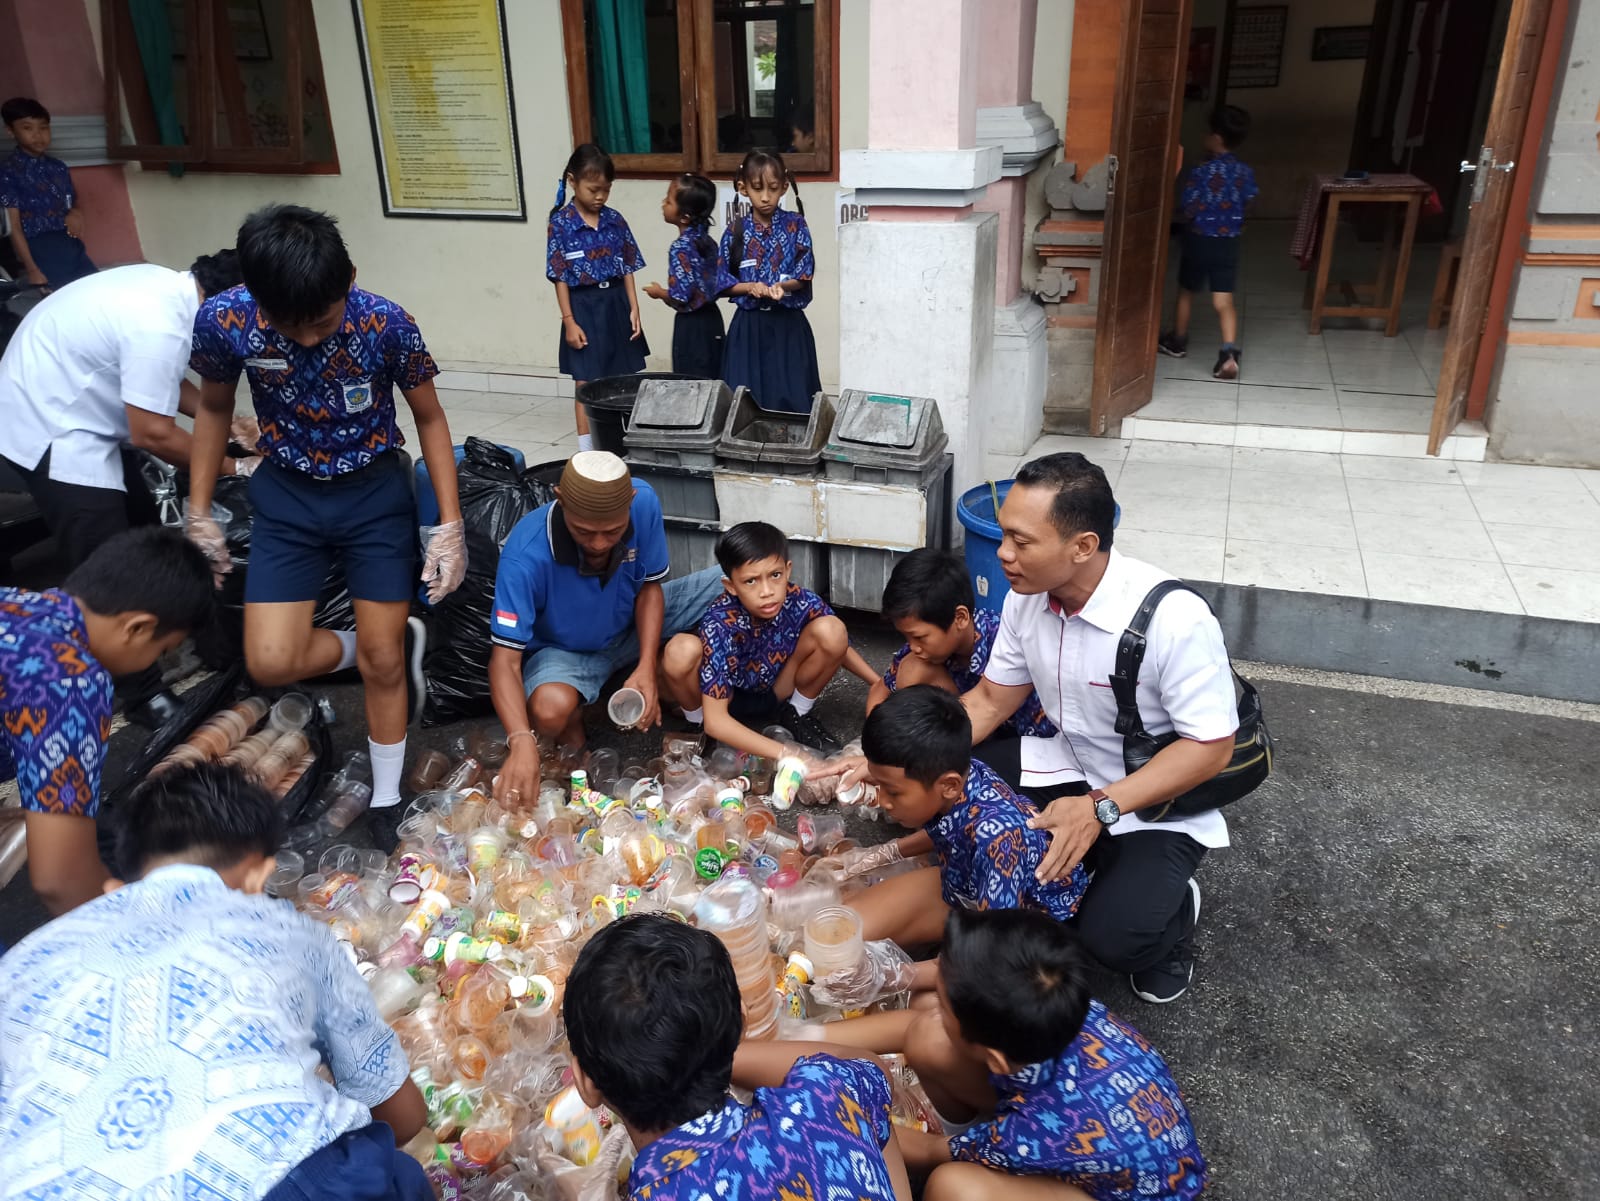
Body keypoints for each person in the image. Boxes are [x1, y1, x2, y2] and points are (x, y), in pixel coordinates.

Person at [0, 762, 430, 1199]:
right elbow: (402, 1116)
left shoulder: (25, 960)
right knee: (395, 1173)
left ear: (115, 891)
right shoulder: (286, 929)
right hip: (267, 1184)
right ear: (258, 879)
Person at [185, 204, 468, 850]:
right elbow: (214, 407)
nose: (309, 338)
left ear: (351, 281)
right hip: (286, 495)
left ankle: (390, 793)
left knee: (383, 661)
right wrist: (198, 510)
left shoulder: (385, 323)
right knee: (269, 658)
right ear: (257, 300)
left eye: (323, 321)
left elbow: (429, 418)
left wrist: (447, 523)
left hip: (373, 494)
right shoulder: (225, 320)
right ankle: (381, 641)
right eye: (292, 325)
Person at [963, 452, 1239, 1004]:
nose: (1002, 555)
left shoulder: (1173, 619)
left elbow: (1210, 749)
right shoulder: (1029, 599)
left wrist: (1098, 809)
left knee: (1113, 942)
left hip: (1156, 790)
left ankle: (1175, 913)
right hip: (1070, 761)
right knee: (951, 785)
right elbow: (991, 701)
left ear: (1083, 546)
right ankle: (1095, 858)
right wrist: (896, 752)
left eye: (1021, 541)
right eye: (1003, 536)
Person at [0, 249, 249, 721]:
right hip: (53, 425)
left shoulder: (167, 288)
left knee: (152, 544)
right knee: (106, 558)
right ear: (228, 305)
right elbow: (152, 432)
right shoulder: (159, 321)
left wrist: (225, 423)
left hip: (81, 409)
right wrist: (235, 469)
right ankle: (142, 694)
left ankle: (214, 643)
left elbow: (162, 381)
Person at [843, 908, 1207, 1201]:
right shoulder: (1056, 1003)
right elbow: (921, 1022)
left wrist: (843, 1118)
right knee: (927, 1031)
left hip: (1126, 1185)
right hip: (1112, 1135)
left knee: (954, 1187)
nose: (937, 1003)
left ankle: (979, 1151)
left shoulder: (1032, 1135)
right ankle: (976, 1140)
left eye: (946, 1002)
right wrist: (806, 1035)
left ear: (996, 1060)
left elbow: (929, 1151)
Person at [564, 913, 914, 1201]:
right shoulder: (824, 1101)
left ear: (586, 1083)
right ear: (743, 1024)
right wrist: (702, 1052)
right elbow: (868, 1069)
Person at [0, 527, 213, 915]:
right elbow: (60, 880)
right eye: (162, 651)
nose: (154, 664)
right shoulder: (70, 682)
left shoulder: (16, 603)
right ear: (137, 628)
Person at [489, 451, 723, 803]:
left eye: (612, 532)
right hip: (569, 651)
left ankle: (683, 680)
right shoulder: (525, 555)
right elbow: (503, 661)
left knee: (735, 581)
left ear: (629, 503)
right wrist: (521, 739)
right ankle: (582, 727)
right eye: (584, 532)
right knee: (549, 710)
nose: (599, 544)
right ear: (560, 499)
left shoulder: (643, 501)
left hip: (629, 621)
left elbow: (649, 588)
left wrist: (645, 665)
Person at [835, 686, 1089, 993]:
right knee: (844, 930)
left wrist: (891, 977)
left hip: (1020, 931)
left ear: (949, 786)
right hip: (967, 888)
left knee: (935, 1007)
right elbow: (948, 828)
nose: (884, 802)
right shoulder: (960, 776)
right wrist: (885, 852)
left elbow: (991, 952)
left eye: (893, 791)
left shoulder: (997, 839)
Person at [662, 521, 875, 758]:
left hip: (777, 688)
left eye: (775, 575)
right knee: (679, 650)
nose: (767, 591)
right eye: (751, 581)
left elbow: (839, 643)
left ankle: (797, 712)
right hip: (723, 699)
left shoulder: (798, 599)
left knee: (832, 629)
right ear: (730, 586)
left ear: (788, 570)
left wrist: (877, 683)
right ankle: (697, 726)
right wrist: (788, 754)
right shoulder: (719, 622)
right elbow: (717, 720)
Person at [868, 548, 1058, 796]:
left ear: (960, 617)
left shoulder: (1004, 640)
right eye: (907, 637)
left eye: (919, 637)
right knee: (913, 669)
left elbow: (1038, 730)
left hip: (1023, 749)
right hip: (963, 737)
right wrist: (878, 751)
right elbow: (879, 692)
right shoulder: (921, 651)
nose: (914, 646)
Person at [548, 143, 647, 449]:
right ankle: (587, 451)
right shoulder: (561, 223)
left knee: (625, 379)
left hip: (616, 303)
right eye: (593, 189)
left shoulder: (615, 220)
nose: (600, 196)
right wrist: (569, 322)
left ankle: (629, 445)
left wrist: (634, 308)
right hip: (583, 308)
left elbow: (628, 265)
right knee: (586, 382)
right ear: (572, 181)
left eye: (606, 189)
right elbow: (559, 276)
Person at [717, 149, 820, 413]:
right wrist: (751, 287)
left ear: (784, 187)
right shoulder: (735, 231)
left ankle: (793, 454)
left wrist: (781, 287)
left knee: (794, 400)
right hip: (749, 330)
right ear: (742, 188)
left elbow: (804, 272)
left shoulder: (795, 224)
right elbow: (722, 283)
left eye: (773, 189)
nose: (765, 197)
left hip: (788, 327)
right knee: (746, 404)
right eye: (757, 188)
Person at [1158, 105, 1257, 381]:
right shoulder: (1244, 172)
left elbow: (1188, 205)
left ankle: (1177, 341)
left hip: (1199, 239)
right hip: (1228, 242)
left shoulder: (1200, 171)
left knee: (1187, 291)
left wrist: (1187, 218)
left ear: (1215, 137)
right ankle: (1228, 352)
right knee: (1224, 300)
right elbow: (1249, 200)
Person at [0, 96, 96, 289]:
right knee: (66, 300)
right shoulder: (8, 172)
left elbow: (72, 202)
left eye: (43, 127)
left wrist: (75, 212)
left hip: (70, 243)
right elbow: (14, 227)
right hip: (39, 247)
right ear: (10, 131)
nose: (38, 135)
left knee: (94, 289)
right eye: (27, 128)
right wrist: (33, 270)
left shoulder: (58, 167)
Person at [642, 172, 725, 378]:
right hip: (713, 320)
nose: (663, 204)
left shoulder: (680, 248)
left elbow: (681, 296)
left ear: (684, 216)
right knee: (713, 379)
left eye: (668, 201)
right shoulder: (708, 242)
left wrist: (659, 292)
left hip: (692, 327)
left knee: (690, 383)